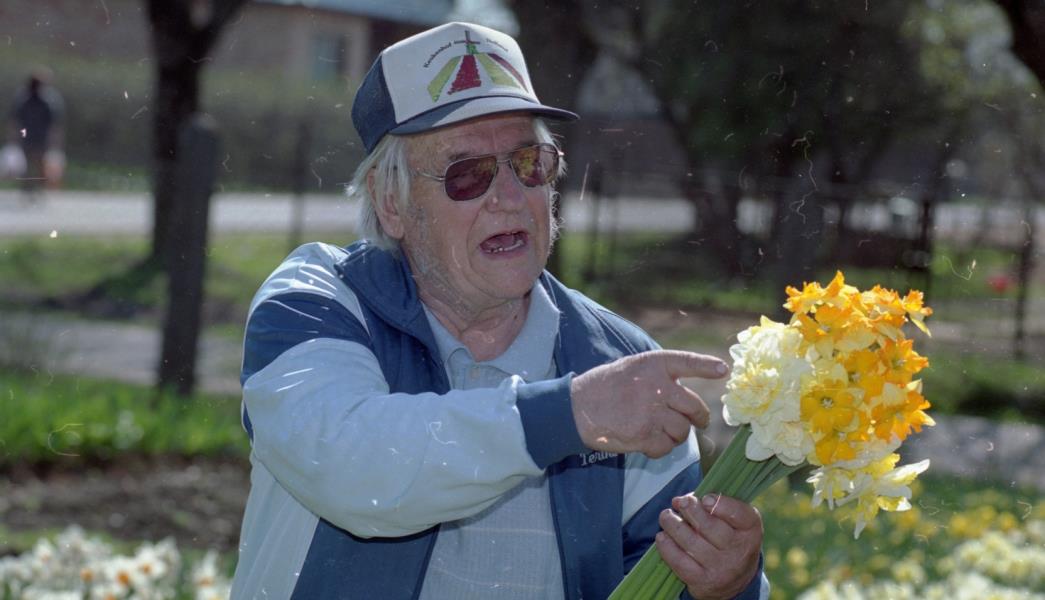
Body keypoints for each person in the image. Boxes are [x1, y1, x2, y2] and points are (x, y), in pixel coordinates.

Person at [231, 22, 767, 600]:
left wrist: (727, 583)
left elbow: (660, 572)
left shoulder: (619, 362)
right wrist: (571, 414)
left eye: (529, 162)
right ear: (391, 202)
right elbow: (354, 467)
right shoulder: (317, 301)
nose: (510, 196)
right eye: (467, 174)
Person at [7, 69, 64, 200]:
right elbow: (16, 120)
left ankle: (33, 188)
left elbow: (53, 124)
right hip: (32, 137)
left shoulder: (43, 100)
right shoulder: (41, 100)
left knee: (36, 164)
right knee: (33, 164)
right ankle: (30, 188)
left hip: (36, 138)